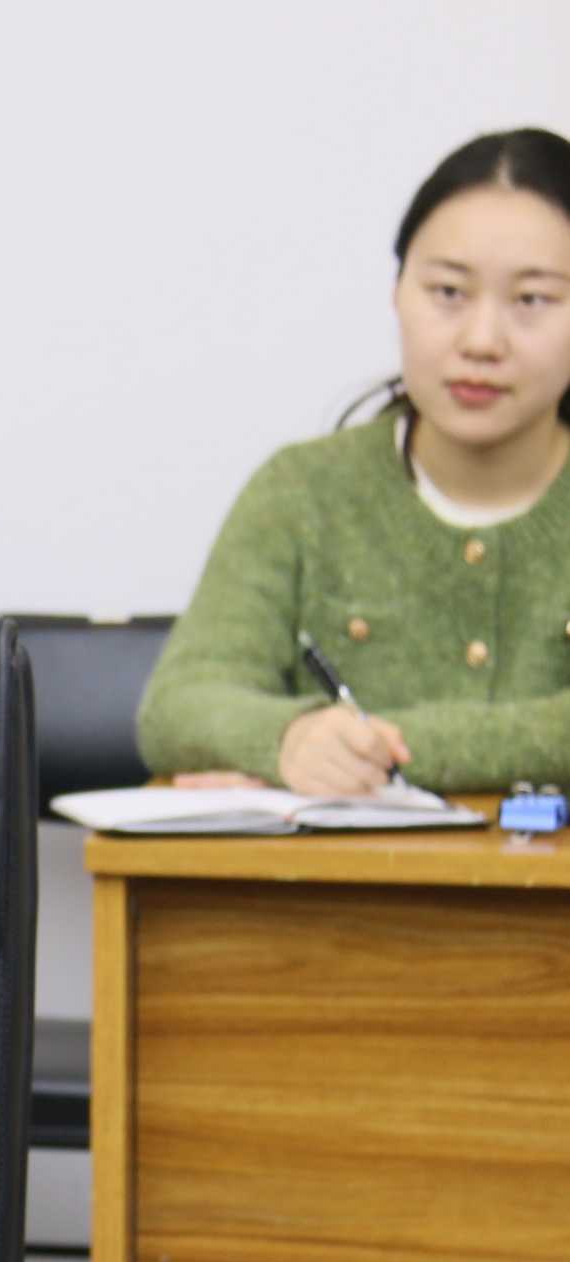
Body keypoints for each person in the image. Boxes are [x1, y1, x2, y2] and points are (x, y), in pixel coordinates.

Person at [140, 127, 570, 796]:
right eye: (448, 292)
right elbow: (178, 705)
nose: (482, 340)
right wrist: (288, 739)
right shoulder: (302, 490)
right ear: (397, 292)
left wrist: (374, 748)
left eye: (532, 300)